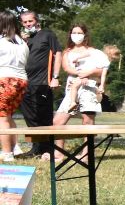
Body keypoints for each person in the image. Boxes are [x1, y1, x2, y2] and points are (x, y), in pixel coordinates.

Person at [51, 24, 111, 161]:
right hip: (72, 88)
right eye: (74, 32)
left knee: (87, 121)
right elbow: (67, 68)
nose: (76, 35)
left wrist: (89, 73)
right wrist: (81, 74)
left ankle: (86, 154)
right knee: (58, 121)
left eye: (79, 32)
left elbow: (102, 70)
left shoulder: (94, 51)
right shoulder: (67, 52)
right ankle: (59, 153)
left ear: (85, 35)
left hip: (89, 89)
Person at [19, 11, 62, 157]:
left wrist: (55, 77)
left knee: (43, 117)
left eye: (30, 21)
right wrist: (22, 42)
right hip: (24, 82)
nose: (28, 24)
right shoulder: (22, 39)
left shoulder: (47, 34)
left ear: (37, 21)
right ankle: (36, 148)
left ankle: (48, 149)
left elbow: (58, 54)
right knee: (29, 116)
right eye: (24, 22)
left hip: (42, 83)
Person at [0, 11, 30, 163]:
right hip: (21, 81)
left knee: (2, 118)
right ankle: (15, 147)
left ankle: (7, 153)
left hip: (5, 80)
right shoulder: (21, 42)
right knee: (8, 115)